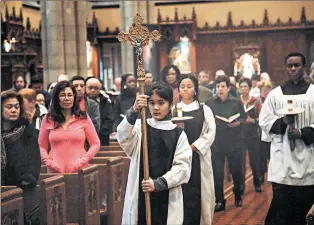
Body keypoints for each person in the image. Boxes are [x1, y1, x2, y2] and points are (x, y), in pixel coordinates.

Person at [117, 82, 192, 225]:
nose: (156, 108)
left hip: (166, 192)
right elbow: (122, 136)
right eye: (151, 103)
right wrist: (134, 110)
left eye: (161, 103)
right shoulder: (140, 127)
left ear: (171, 104)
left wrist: (158, 183)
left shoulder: (178, 134)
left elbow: (183, 167)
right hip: (140, 192)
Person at [259, 52, 314, 225]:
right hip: (282, 159)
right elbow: (264, 121)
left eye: (296, 65)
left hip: (308, 159)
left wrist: (303, 133)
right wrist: (282, 122)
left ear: (303, 67)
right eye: (289, 65)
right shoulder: (275, 95)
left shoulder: (313, 93)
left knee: (302, 210)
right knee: (281, 211)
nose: (292, 69)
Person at [175, 74, 216, 225]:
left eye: (189, 86)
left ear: (195, 89)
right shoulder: (173, 110)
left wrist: (194, 147)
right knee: (181, 193)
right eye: (182, 87)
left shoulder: (204, 109)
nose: (185, 90)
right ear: (178, 90)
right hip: (178, 158)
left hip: (198, 156)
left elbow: (210, 133)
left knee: (198, 194)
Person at [39, 81, 100, 173]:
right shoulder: (48, 119)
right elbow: (41, 146)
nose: (66, 98)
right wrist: (50, 163)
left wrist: (82, 161)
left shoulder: (83, 117)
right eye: (63, 95)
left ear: (74, 97)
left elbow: (95, 143)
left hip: (80, 170)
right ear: (56, 98)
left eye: (70, 95)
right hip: (55, 171)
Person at [205, 75, 246, 211]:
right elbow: (206, 121)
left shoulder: (235, 102)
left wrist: (237, 123)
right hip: (216, 143)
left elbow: (244, 118)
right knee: (217, 174)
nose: (220, 89)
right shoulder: (210, 103)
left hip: (233, 142)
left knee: (236, 171)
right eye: (218, 87)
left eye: (223, 86)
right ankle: (219, 201)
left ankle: (238, 195)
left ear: (228, 88)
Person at [1, 90, 41, 189]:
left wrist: (28, 180)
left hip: (21, 186)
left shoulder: (26, 129)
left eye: (17, 107)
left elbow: (34, 159)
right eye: (9, 107)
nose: (14, 110)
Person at [239, 78, 263, 192]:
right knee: (241, 162)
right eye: (241, 86)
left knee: (255, 160)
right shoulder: (236, 101)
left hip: (253, 133)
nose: (243, 89)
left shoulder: (255, 101)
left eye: (245, 86)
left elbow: (262, 117)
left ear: (249, 88)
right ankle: (241, 185)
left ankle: (257, 183)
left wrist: (253, 120)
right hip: (240, 134)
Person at [86, 77, 114, 146]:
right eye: (90, 87)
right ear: (85, 88)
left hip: (102, 138)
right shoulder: (81, 102)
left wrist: (97, 132)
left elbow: (109, 119)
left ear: (100, 89)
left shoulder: (106, 101)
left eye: (96, 88)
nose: (93, 90)